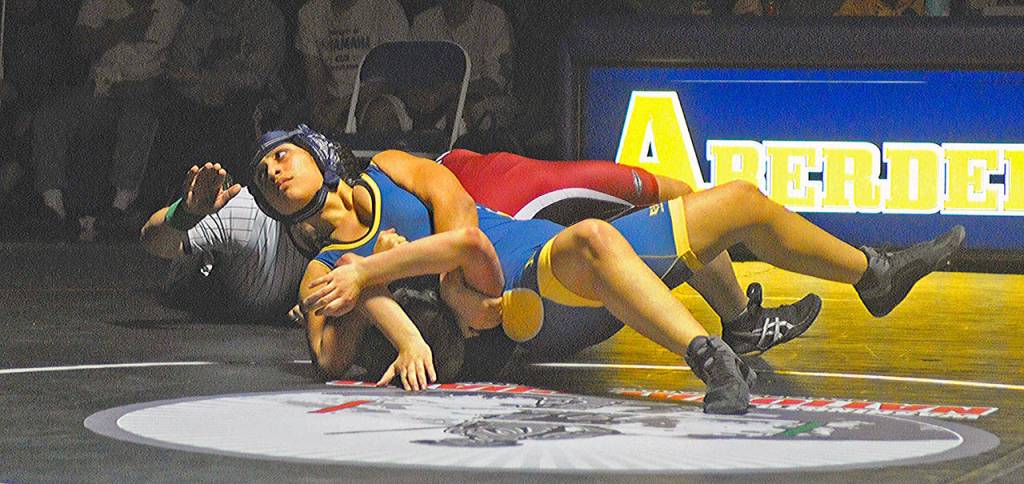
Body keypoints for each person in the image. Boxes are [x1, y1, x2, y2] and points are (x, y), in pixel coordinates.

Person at [248, 125, 965, 414]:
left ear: (318, 151)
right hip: (531, 303)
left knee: (737, 201)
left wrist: (375, 272)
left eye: (282, 154)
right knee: (591, 234)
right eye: (263, 176)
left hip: (548, 260)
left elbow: (465, 232)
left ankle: (872, 275)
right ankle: (711, 356)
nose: (275, 172)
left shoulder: (395, 171)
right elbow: (469, 260)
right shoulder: (330, 266)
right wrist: (366, 303)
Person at [29, 0, 184, 241]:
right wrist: (123, 28)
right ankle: (53, 208)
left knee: (141, 116)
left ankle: (119, 207)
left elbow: (180, 62)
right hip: (102, 90)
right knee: (51, 116)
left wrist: (149, 86)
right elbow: (80, 43)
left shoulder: (173, 8)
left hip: (146, 91)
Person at [295, 0, 410, 137]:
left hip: (377, 97)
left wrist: (343, 106)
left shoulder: (386, 8)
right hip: (332, 100)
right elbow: (315, 78)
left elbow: (388, 78)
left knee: (380, 113)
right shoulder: (310, 13)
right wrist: (319, 110)